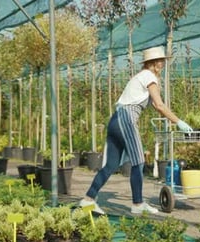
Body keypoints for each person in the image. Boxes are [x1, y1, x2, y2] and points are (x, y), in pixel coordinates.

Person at [79, 46, 193, 215]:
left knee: (110, 165)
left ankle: (88, 199)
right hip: (126, 118)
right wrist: (178, 121)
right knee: (138, 161)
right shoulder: (148, 76)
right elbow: (159, 105)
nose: (163, 64)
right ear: (154, 63)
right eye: (161, 61)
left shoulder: (141, 76)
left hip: (116, 120)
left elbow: (155, 105)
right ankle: (138, 204)